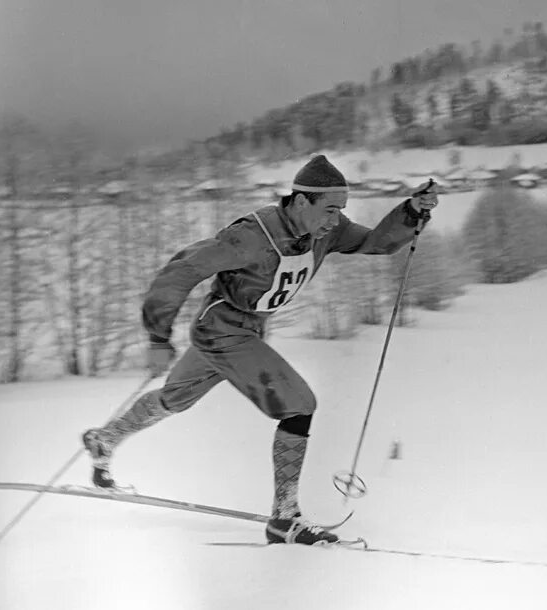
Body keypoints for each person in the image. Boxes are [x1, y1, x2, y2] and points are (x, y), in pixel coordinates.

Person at [82, 155, 438, 545]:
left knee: (175, 399)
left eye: (341, 211)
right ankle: (284, 518)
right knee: (299, 405)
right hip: (222, 331)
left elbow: (375, 243)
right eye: (330, 209)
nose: (336, 220)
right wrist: (157, 337)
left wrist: (410, 212)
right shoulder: (252, 235)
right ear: (302, 202)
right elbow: (182, 269)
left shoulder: (325, 231)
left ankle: (106, 439)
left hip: (241, 329)